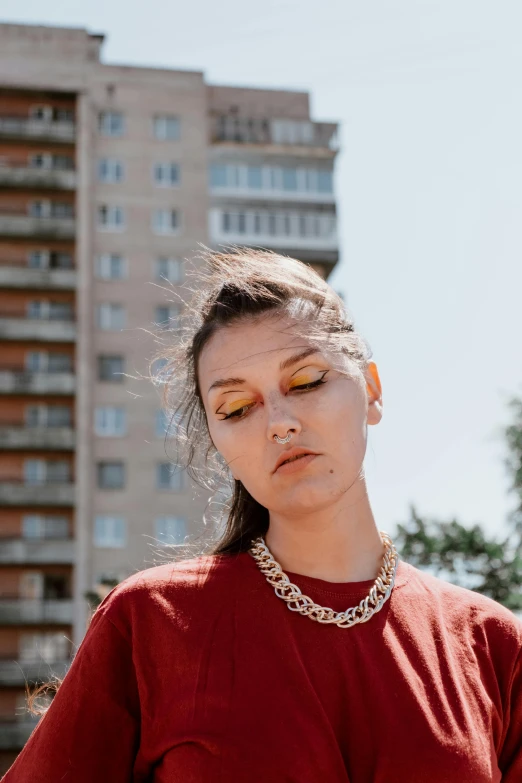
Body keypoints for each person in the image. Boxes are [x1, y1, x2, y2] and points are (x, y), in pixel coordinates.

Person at [2, 249, 521, 782]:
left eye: (306, 382)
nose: (279, 423)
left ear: (370, 390)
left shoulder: (493, 645)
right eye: (236, 409)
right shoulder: (151, 621)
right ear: (217, 439)